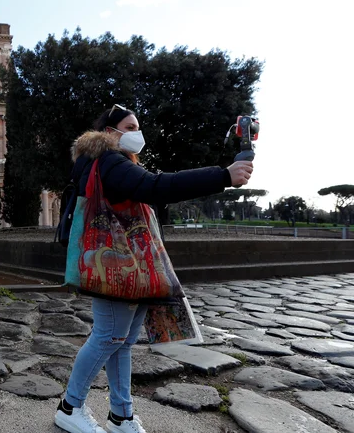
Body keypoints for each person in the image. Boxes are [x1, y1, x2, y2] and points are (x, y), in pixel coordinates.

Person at [54, 105, 253, 433]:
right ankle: (70, 406)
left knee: (121, 340)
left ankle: (121, 415)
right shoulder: (109, 161)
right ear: (109, 132)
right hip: (117, 264)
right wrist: (223, 175)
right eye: (129, 126)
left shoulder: (107, 163)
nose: (136, 133)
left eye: (138, 126)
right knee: (108, 337)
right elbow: (157, 186)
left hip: (128, 266)